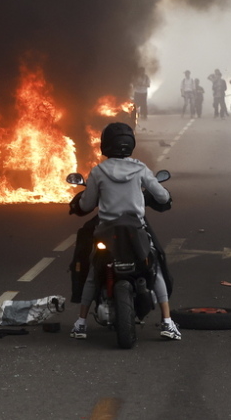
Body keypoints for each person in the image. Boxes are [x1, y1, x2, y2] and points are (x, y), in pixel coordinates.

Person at [68, 122, 181, 341]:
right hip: (136, 230)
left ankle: (81, 323)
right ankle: (167, 322)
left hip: (105, 232)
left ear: (105, 145)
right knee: (154, 266)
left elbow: (87, 203)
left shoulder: (99, 171)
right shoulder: (140, 168)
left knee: (93, 271)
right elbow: (162, 197)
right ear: (131, 144)